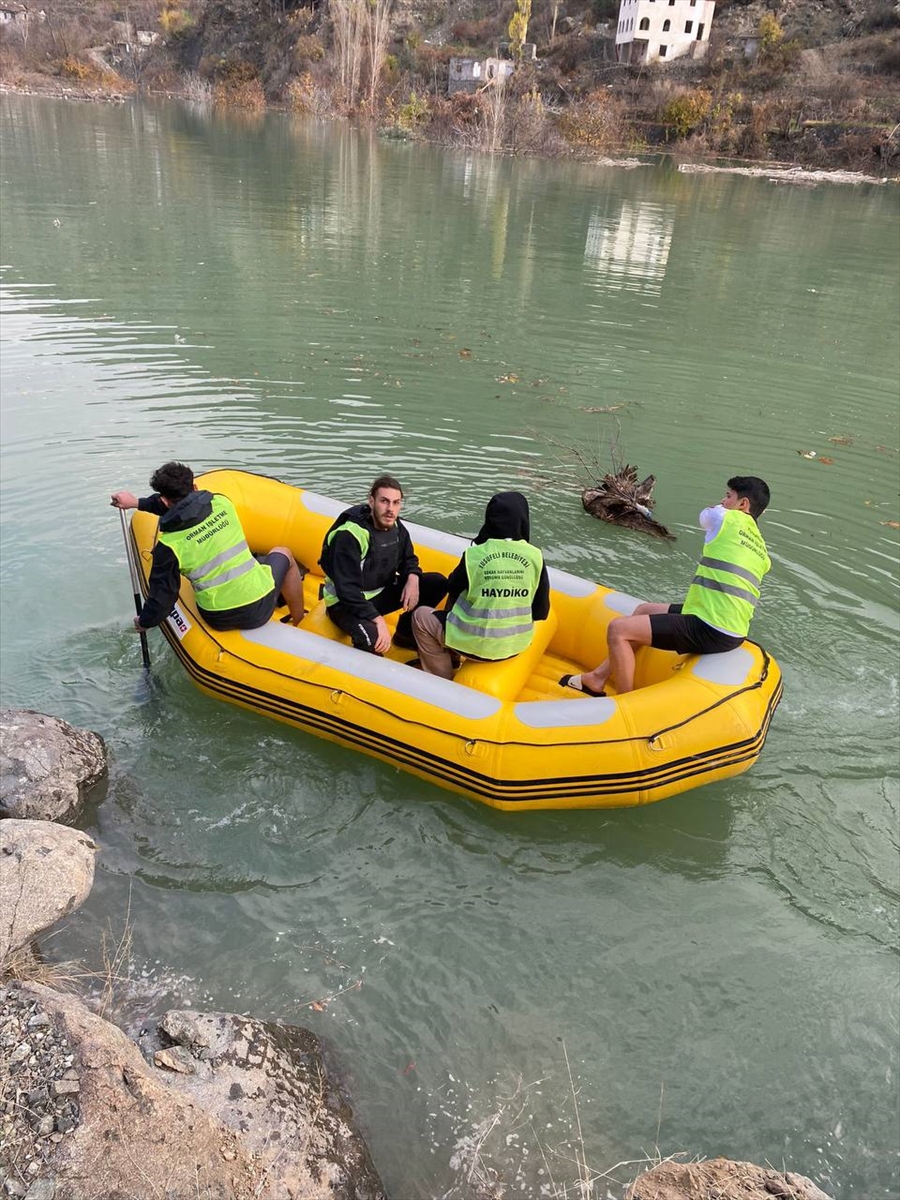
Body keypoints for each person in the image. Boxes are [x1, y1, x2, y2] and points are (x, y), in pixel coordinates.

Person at [560, 475, 771, 698]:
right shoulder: (761, 549)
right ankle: (597, 679)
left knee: (618, 629)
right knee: (644, 610)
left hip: (710, 626)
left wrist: (725, 507)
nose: (723, 500)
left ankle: (624, 705)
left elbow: (705, 517)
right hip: (726, 624)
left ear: (743, 504)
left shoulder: (725, 517)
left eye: (728, 496)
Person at [111, 461, 307, 632]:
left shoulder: (168, 546)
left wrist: (144, 622)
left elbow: (162, 599)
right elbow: (187, 505)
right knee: (283, 553)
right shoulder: (222, 503)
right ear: (195, 486)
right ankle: (299, 621)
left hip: (219, 617)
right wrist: (138, 502)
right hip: (261, 606)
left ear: (163, 500)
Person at [412, 491, 551, 679]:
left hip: (475, 646)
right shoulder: (535, 557)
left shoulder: (475, 555)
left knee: (420, 617)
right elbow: (541, 611)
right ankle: (453, 654)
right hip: (516, 645)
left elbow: (452, 587)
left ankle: (441, 677)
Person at [319, 474, 447, 654]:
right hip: (345, 603)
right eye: (384, 501)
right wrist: (378, 620)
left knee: (437, 582)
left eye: (396, 503)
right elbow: (347, 591)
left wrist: (412, 578)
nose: (390, 509)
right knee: (373, 640)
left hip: (379, 592)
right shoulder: (350, 535)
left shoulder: (396, 527)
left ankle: (405, 634)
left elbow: (409, 559)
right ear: (371, 501)